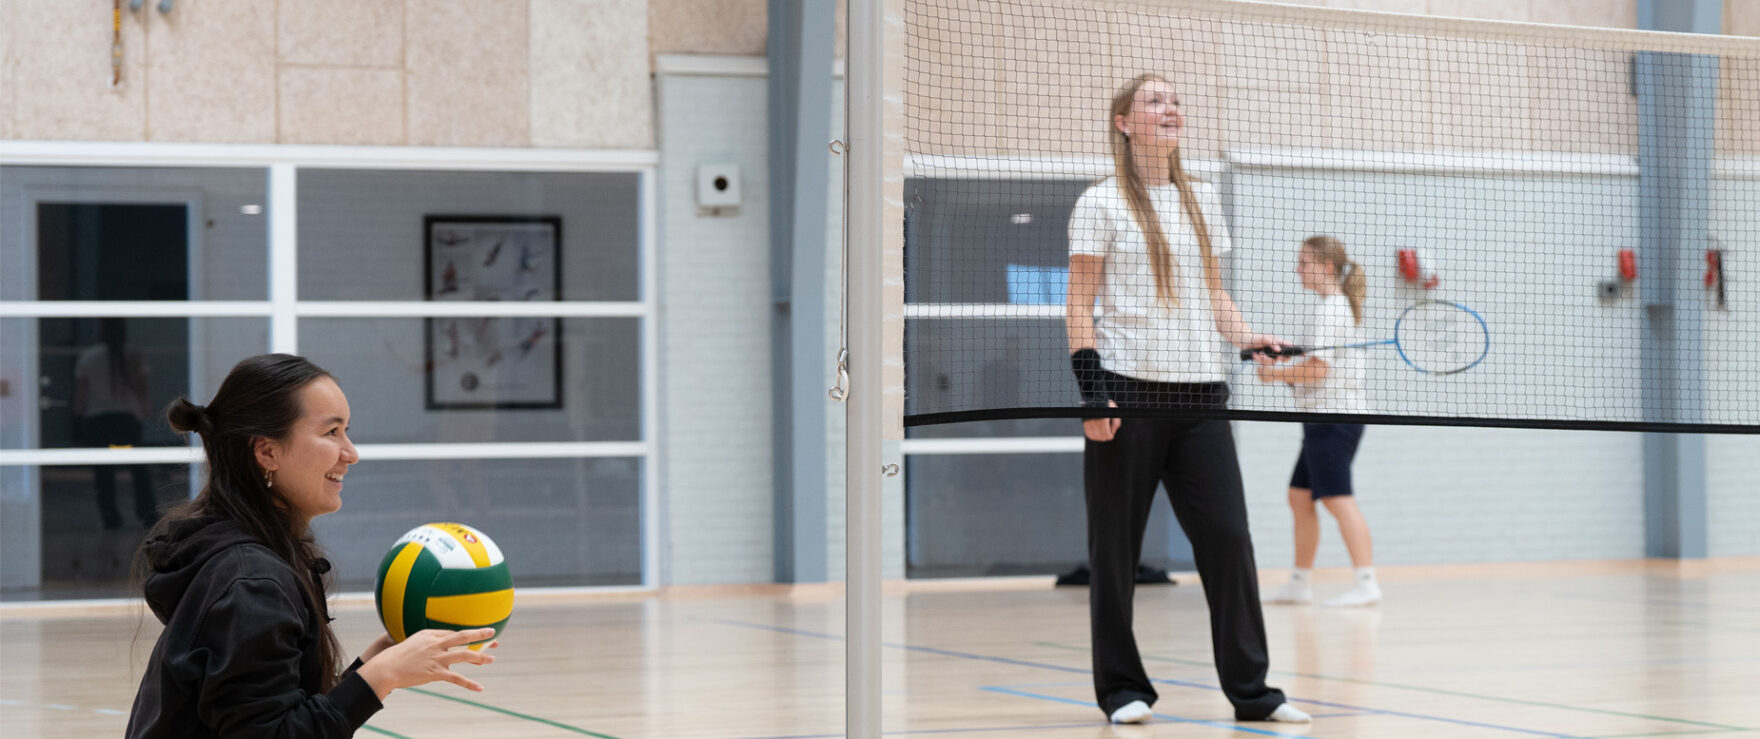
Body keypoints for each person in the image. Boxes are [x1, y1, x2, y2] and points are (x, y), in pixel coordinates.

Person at [1065, 73, 1309, 726]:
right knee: (1114, 549)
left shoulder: (1201, 197)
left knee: (1229, 538)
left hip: (1203, 398)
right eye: (1153, 100)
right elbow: (1078, 306)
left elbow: (1214, 298)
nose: (1169, 108)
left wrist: (1250, 337)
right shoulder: (1100, 203)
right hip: (1127, 396)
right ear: (1123, 122)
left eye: (1174, 101)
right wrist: (1093, 393)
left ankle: (1253, 693)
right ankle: (1122, 688)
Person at [127, 354, 498, 738]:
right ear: (267, 452)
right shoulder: (252, 583)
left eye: (346, 431)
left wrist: (369, 666)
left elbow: (280, 712)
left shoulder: (245, 555)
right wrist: (379, 677)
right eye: (331, 433)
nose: (351, 453)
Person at [1258, 236, 1381, 608]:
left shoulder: (1331, 311)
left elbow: (1317, 370)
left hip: (1335, 417)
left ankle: (1367, 582)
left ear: (1325, 267)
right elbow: (1313, 361)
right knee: (1299, 497)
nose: (1298, 269)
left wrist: (1274, 376)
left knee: (1336, 499)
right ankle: (1300, 582)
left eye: (1304, 263)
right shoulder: (1331, 309)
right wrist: (1283, 360)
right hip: (1320, 418)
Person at [73, 318, 159, 529]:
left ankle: (110, 515)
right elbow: (143, 388)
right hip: (126, 420)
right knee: (138, 470)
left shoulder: (89, 357)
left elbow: (80, 394)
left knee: (103, 472)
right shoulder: (134, 355)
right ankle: (147, 513)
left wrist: (77, 419)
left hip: (98, 421)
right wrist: (145, 410)